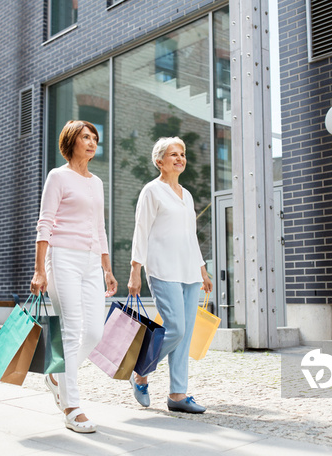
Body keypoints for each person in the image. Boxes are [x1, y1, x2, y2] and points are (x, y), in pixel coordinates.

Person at [30, 120, 117, 433]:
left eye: (95, 137)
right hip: (63, 257)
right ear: (71, 141)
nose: (92, 142)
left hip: (92, 262)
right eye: (85, 136)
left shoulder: (96, 182)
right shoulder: (58, 176)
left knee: (93, 333)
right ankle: (72, 407)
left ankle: (57, 375)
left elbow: (100, 228)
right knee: (71, 329)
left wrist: (107, 267)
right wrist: (40, 268)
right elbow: (45, 223)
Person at [127, 136, 213, 414]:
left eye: (182, 154)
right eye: (173, 154)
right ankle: (140, 371)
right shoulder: (151, 191)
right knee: (174, 328)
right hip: (163, 268)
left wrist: (201, 268)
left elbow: (190, 235)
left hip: (189, 270)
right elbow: (140, 232)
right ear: (159, 161)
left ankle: (178, 394)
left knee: (185, 334)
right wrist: (135, 270)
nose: (179, 158)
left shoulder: (186, 195)